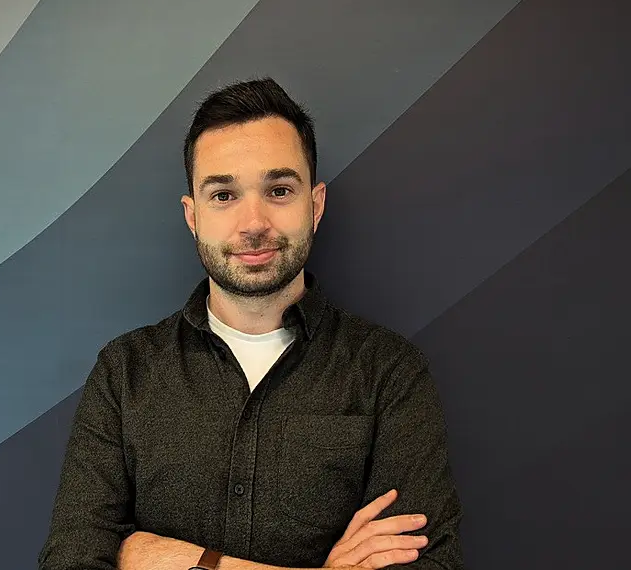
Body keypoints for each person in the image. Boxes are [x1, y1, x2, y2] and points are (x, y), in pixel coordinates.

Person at [38, 77, 464, 570]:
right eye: (224, 195)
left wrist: (165, 558)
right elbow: (70, 560)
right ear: (192, 215)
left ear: (315, 205)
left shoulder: (388, 372)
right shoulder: (124, 373)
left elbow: (428, 564)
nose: (253, 222)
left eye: (279, 190)